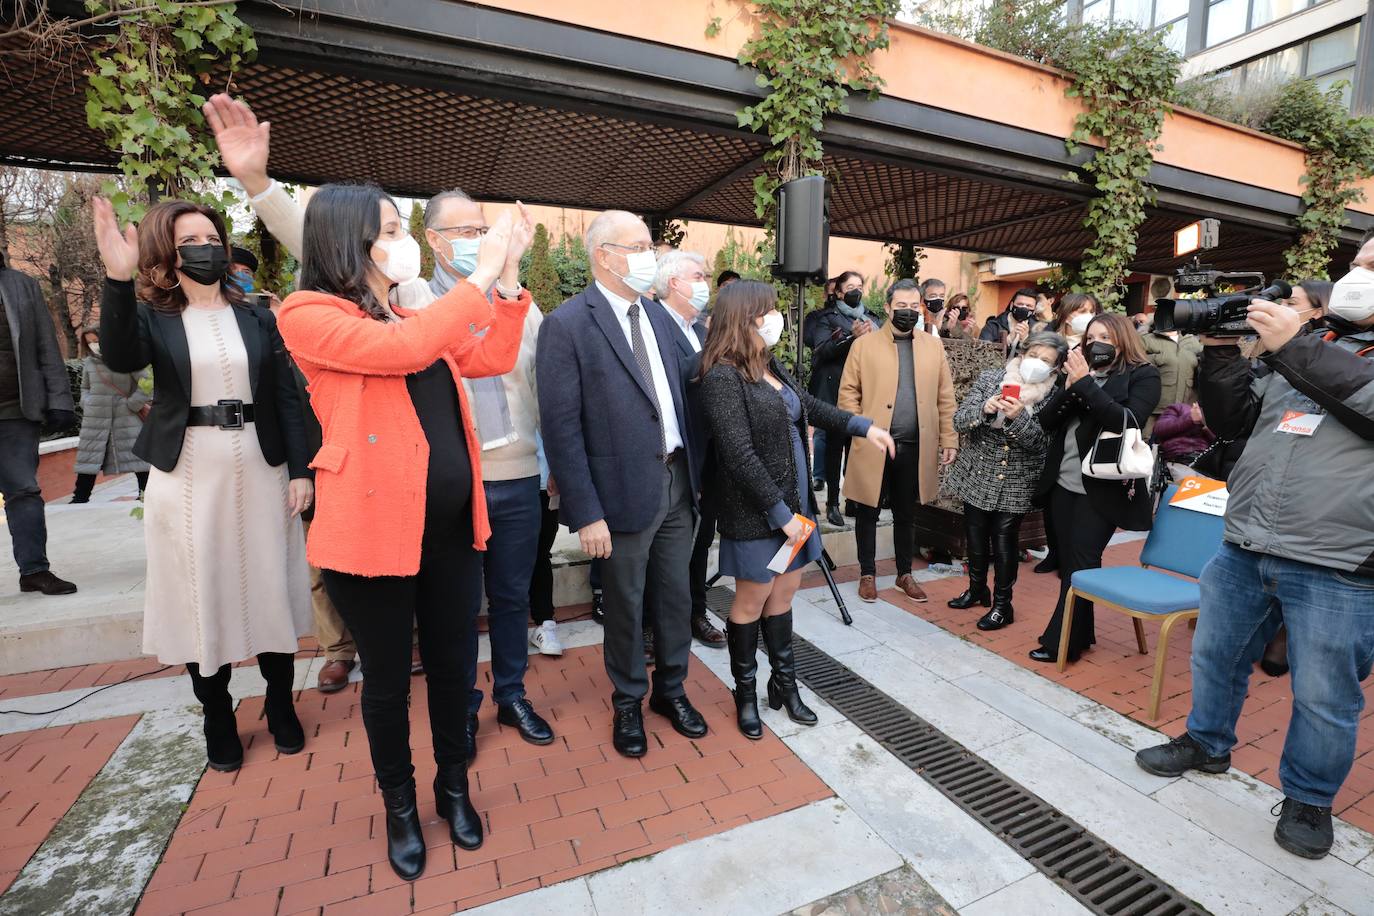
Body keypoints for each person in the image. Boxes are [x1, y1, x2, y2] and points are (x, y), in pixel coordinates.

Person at [277, 184, 532, 880]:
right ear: (345, 240)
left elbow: (491, 356)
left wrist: (507, 281)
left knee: (453, 671)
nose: (401, 241)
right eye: (388, 229)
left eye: (399, 228)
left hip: (450, 533)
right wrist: (478, 275)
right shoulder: (310, 315)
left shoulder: (410, 309)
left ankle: (454, 786)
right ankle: (399, 805)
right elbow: (405, 349)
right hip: (369, 541)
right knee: (387, 684)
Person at [1135, 251, 1374, 861]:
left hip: (1339, 562)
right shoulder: (1315, 339)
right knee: (1216, 656)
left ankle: (1309, 800)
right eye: (1359, 261)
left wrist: (1294, 346)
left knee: (1325, 694)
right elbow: (1233, 419)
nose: (1358, 273)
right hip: (1246, 542)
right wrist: (1219, 348)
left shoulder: (1305, 346)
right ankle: (1207, 743)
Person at [93, 196, 313, 776]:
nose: (205, 248)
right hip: (188, 471)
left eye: (211, 236)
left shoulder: (258, 315)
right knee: (200, 596)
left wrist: (300, 470)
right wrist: (117, 279)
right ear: (169, 250)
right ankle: (217, 713)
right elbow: (118, 359)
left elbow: (287, 397)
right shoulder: (151, 315)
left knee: (271, 585)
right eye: (190, 240)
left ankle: (280, 703)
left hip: (261, 466)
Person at [537, 210, 706, 760]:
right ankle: (629, 699)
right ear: (603, 255)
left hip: (678, 481)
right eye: (637, 246)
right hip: (619, 493)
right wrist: (586, 513)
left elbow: (689, 389)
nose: (648, 255)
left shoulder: (656, 315)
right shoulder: (567, 324)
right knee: (628, 604)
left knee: (676, 595)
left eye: (649, 245)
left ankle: (671, 690)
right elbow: (561, 428)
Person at [701, 281, 894, 737]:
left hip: (796, 505)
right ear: (743, 317)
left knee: (784, 596)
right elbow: (738, 454)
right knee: (751, 600)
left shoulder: (768, 363)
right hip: (758, 515)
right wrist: (780, 516)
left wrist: (863, 427)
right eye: (767, 312)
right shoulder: (720, 377)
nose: (775, 319)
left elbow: (809, 406)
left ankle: (784, 685)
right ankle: (744, 693)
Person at [1029, 312, 1161, 663]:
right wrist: (1072, 387)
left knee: (1083, 561)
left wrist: (1086, 384)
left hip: (1103, 486)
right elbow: (1045, 421)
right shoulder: (1078, 373)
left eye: (1105, 335)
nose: (1095, 342)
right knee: (1071, 563)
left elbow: (1126, 422)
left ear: (1122, 339)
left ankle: (1062, 642)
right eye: (1091, 336)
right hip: (1063, 481)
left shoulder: (1143, 375)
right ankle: (1081, 633)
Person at [838, 279, 959, 604]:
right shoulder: (864, 345)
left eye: (913, 306)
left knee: (908, 512)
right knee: (867, 510)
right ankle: (867, 573)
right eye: (900, 306)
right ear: (888, 307)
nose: (907, 311)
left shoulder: (933, 346)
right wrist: (860, 428)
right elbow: (848, 393)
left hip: (916, 445)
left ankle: (905, 573)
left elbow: (945, 397)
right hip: (873, 445)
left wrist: (949, 437)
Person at [947, 331, 1064, 630]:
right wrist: (985, 409)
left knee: (1004, 542)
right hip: (978, 471)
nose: (1036, 363)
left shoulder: (1054, 396)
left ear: (1056, 368)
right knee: (974, 535)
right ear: (1022, 353)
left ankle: (1002, 605)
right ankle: (976, 589)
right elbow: (959, 420)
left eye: (1046, 360)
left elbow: (1042, 444)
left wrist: (1018, 418)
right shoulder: (991, 378)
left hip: (1018, 479)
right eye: (1033, 354)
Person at [652, 250, 726, 649]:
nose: (706, 283)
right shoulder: (652, 324)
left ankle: (696, 612)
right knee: (662, 549)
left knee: (700, 542)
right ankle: (655, 624)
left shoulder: (699, 328)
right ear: (675, 283)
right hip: (670, 462)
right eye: (699, 276)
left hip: (703, 458)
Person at [0, 251, 78, 596]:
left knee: (25, 492)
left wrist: (60, 401)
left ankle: (34, 570)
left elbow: (47, 346)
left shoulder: (22, 285)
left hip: (15, 410)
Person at [804, 270, 882, 526]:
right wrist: (852, 337)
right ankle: (833, 503)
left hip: (863, 390)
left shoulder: (872, 319)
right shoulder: (825, 318)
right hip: (834, 389)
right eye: (850, 286)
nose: (855, 291)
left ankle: (852, 499)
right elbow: (822, 350)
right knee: (835, 445)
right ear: (838, 292)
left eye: (859, 286)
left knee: (857, 447)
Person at [1034, 292, 1102, 576]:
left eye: (1090, 310)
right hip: (1048, 416)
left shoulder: (1097, 346)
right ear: (1065, 314)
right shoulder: (1051, 340)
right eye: (1078, 310)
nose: (1083, 316)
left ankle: (1068, 557)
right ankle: (1054, 551)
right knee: (1051, 494)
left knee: (1069, 492)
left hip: (1076, 425)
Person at [71, 327, 151, 503]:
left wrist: (132, 403)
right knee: (88, 457)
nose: (94, 345)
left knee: (138, 457)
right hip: (95, 417)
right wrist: (87, 402)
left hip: (126, 416)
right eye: (89, 342)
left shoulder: (128, 359)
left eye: (96, 340)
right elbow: (85, 387)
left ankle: (146, 494)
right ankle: (80, 497)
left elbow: (147, 382)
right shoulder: (90, 364)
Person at [1141, 306, 1203, 434]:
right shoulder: (1146, 340)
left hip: (1185, 408)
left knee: (1178, 445)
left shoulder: (1193, 342)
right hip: (1154, 408)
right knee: (1145, 443)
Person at [1153, 401, 1214, 481]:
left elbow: (1224, 441)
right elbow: (1159, 429)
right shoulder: (1179, 408)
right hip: (1179, 460)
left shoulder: (1216, 414)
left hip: (1206, 465)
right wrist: (1191, 418)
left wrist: (1205, 425)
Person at [980, 287, 1038, 351]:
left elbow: (1041, 355)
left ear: (1034, 310)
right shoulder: (993, 325)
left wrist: (1025, 340)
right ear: (1011, 305)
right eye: (1020, 304)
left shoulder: (1038, 329)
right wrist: (1008, 340)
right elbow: (982, 352)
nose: (1024, 308)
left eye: (1029, 306)